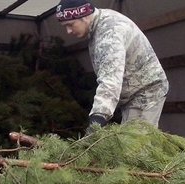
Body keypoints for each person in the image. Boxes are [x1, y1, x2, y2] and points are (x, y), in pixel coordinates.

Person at [55, 0, 169, 129]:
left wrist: (97, 119)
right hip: (131, 92)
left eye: (70, 24)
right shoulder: (99, 23)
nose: (68, 31)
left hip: (146, 91)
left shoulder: (110, 34)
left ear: (84, 16)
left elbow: (110, 80)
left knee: (135, 143)